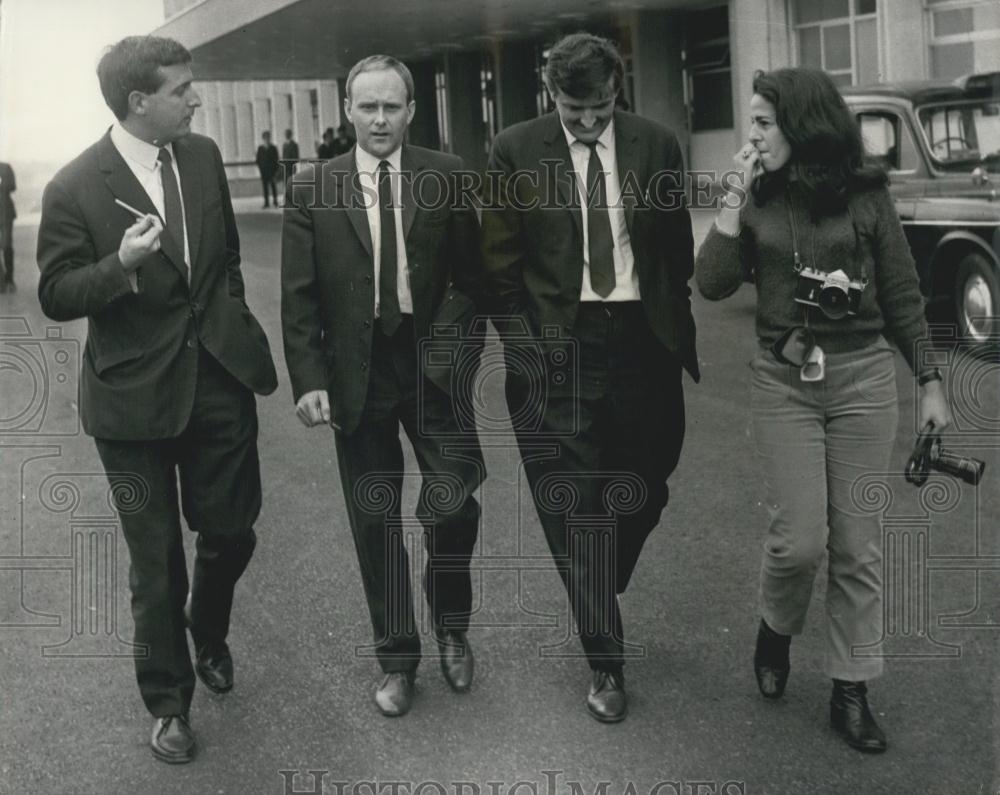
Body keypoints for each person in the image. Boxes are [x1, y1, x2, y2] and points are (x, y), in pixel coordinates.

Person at [695, 67, 951, 753]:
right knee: (799, 540)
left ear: (801, 125)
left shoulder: (867, 195)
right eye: (750, 121)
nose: (750, 134)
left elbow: (901, 292)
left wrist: (929, 379)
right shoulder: (755, 194)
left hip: (864, 379)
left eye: (760, 121)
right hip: (785, 382)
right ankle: (776, 626)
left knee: (857, 545)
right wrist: (729, 202)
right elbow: (713, 284)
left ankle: (851, 687)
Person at [36, 35, 277, 763]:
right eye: (182, 89)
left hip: (218, 382)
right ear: (139, 101)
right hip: (131, 402)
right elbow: (54, 292)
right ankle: (170, 703)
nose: (195, 99)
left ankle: (208, 626)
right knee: (156, 563)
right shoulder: (75, 185)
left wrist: (232, 323)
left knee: (232, 531)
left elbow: (226, 258)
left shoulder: (199, 157)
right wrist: (121, 265)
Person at [481, 32, 699, 723]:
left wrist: (670, 325)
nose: (586, 121)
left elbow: (673, 252)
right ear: (551, 94)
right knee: (576, 513)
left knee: (647, 484)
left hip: (643, 342)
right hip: (557, 348)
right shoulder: (515, 150)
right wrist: (526, 351)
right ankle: (606, 660)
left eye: (599, 106)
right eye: (572, 107)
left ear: (618, 90)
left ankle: (600, 578)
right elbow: (498, 270)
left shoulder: (656, 144)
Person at [282, 54, 485, 718]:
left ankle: (450, 622)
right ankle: (398, 657)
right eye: (366, 106)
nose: (378, 118)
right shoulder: (314, 188)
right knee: (376, 519)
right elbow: (299, 298)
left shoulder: (447, 176)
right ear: (347, 109)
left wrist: (450, 352)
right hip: (356, 374)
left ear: (411, 111)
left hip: (431, 365)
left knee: (454, 504)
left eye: (391, 106)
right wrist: (310, 380)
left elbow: (471, 280)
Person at [0, 160, 15, 292]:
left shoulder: (5, 167)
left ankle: (10, 279)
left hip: (5, 213)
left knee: (6, 246)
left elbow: (12, 186)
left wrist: (1, 183)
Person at [255, 130, 280, 207]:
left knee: (273, 186)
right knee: (265, 187)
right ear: (263, 139)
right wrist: (261, 169)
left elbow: (276, 160)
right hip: (264, 172)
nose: (267, 139)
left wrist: (276, 170)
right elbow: (258, 160)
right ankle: (266, 202)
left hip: (272, 171)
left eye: (268, 137)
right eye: (265, 138)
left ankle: (275, 201)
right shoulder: (260, 148)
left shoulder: (273, 148)